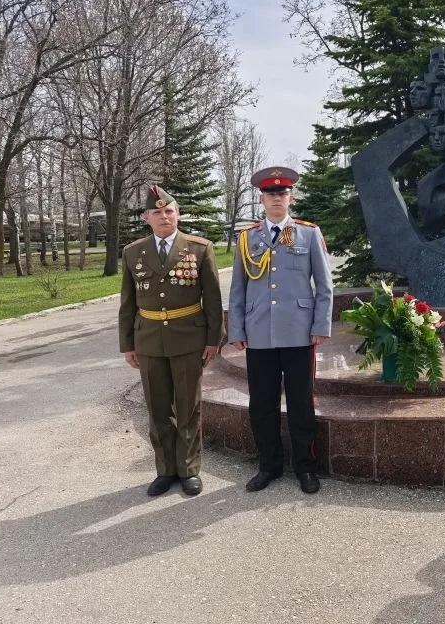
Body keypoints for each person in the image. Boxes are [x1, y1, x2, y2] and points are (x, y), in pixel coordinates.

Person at [228, 166, 334, 494]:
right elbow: (238, 291)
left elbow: (325, 285)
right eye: (271, 193)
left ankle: (305, 467)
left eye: (282, 193)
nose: (277, 198)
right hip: (259, 334)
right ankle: (269, 465)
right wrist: (237, 330)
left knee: (301, 402)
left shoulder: (308, 233)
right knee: (262, 403)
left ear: (292, 197)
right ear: (261, 198)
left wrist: (320, 326)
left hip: (300, 333)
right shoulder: (248, 238)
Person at [119, 185, 223, 497]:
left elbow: (214, 300)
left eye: (170, 211)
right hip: (149, 339)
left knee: (189, 407)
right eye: (158, 213)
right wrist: (127, 344)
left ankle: (189, 469)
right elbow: (127, 303)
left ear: (177, 214)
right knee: (158, 407)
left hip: (189, 338)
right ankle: (165, 470)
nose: (165, 217)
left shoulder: (199, 248)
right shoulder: (133, 252)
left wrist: (213, 340)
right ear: (146, 217)